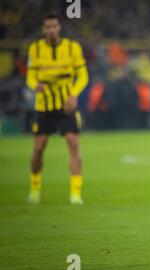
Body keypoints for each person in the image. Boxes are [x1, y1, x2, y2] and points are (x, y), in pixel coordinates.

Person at [26, 14, 89, 204]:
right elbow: (30, 76)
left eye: (54, 26)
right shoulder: (35, 49)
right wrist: (34, 86)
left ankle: (76, 194)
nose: (51, 30)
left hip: (66, 105)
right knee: (39, 147)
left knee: (73, 143)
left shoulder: (72, 47)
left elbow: (83, 76)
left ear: (59, 27)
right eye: (48, 27)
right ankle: (35, 190)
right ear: (43, 29)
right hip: (44, 105)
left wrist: (74, 94)